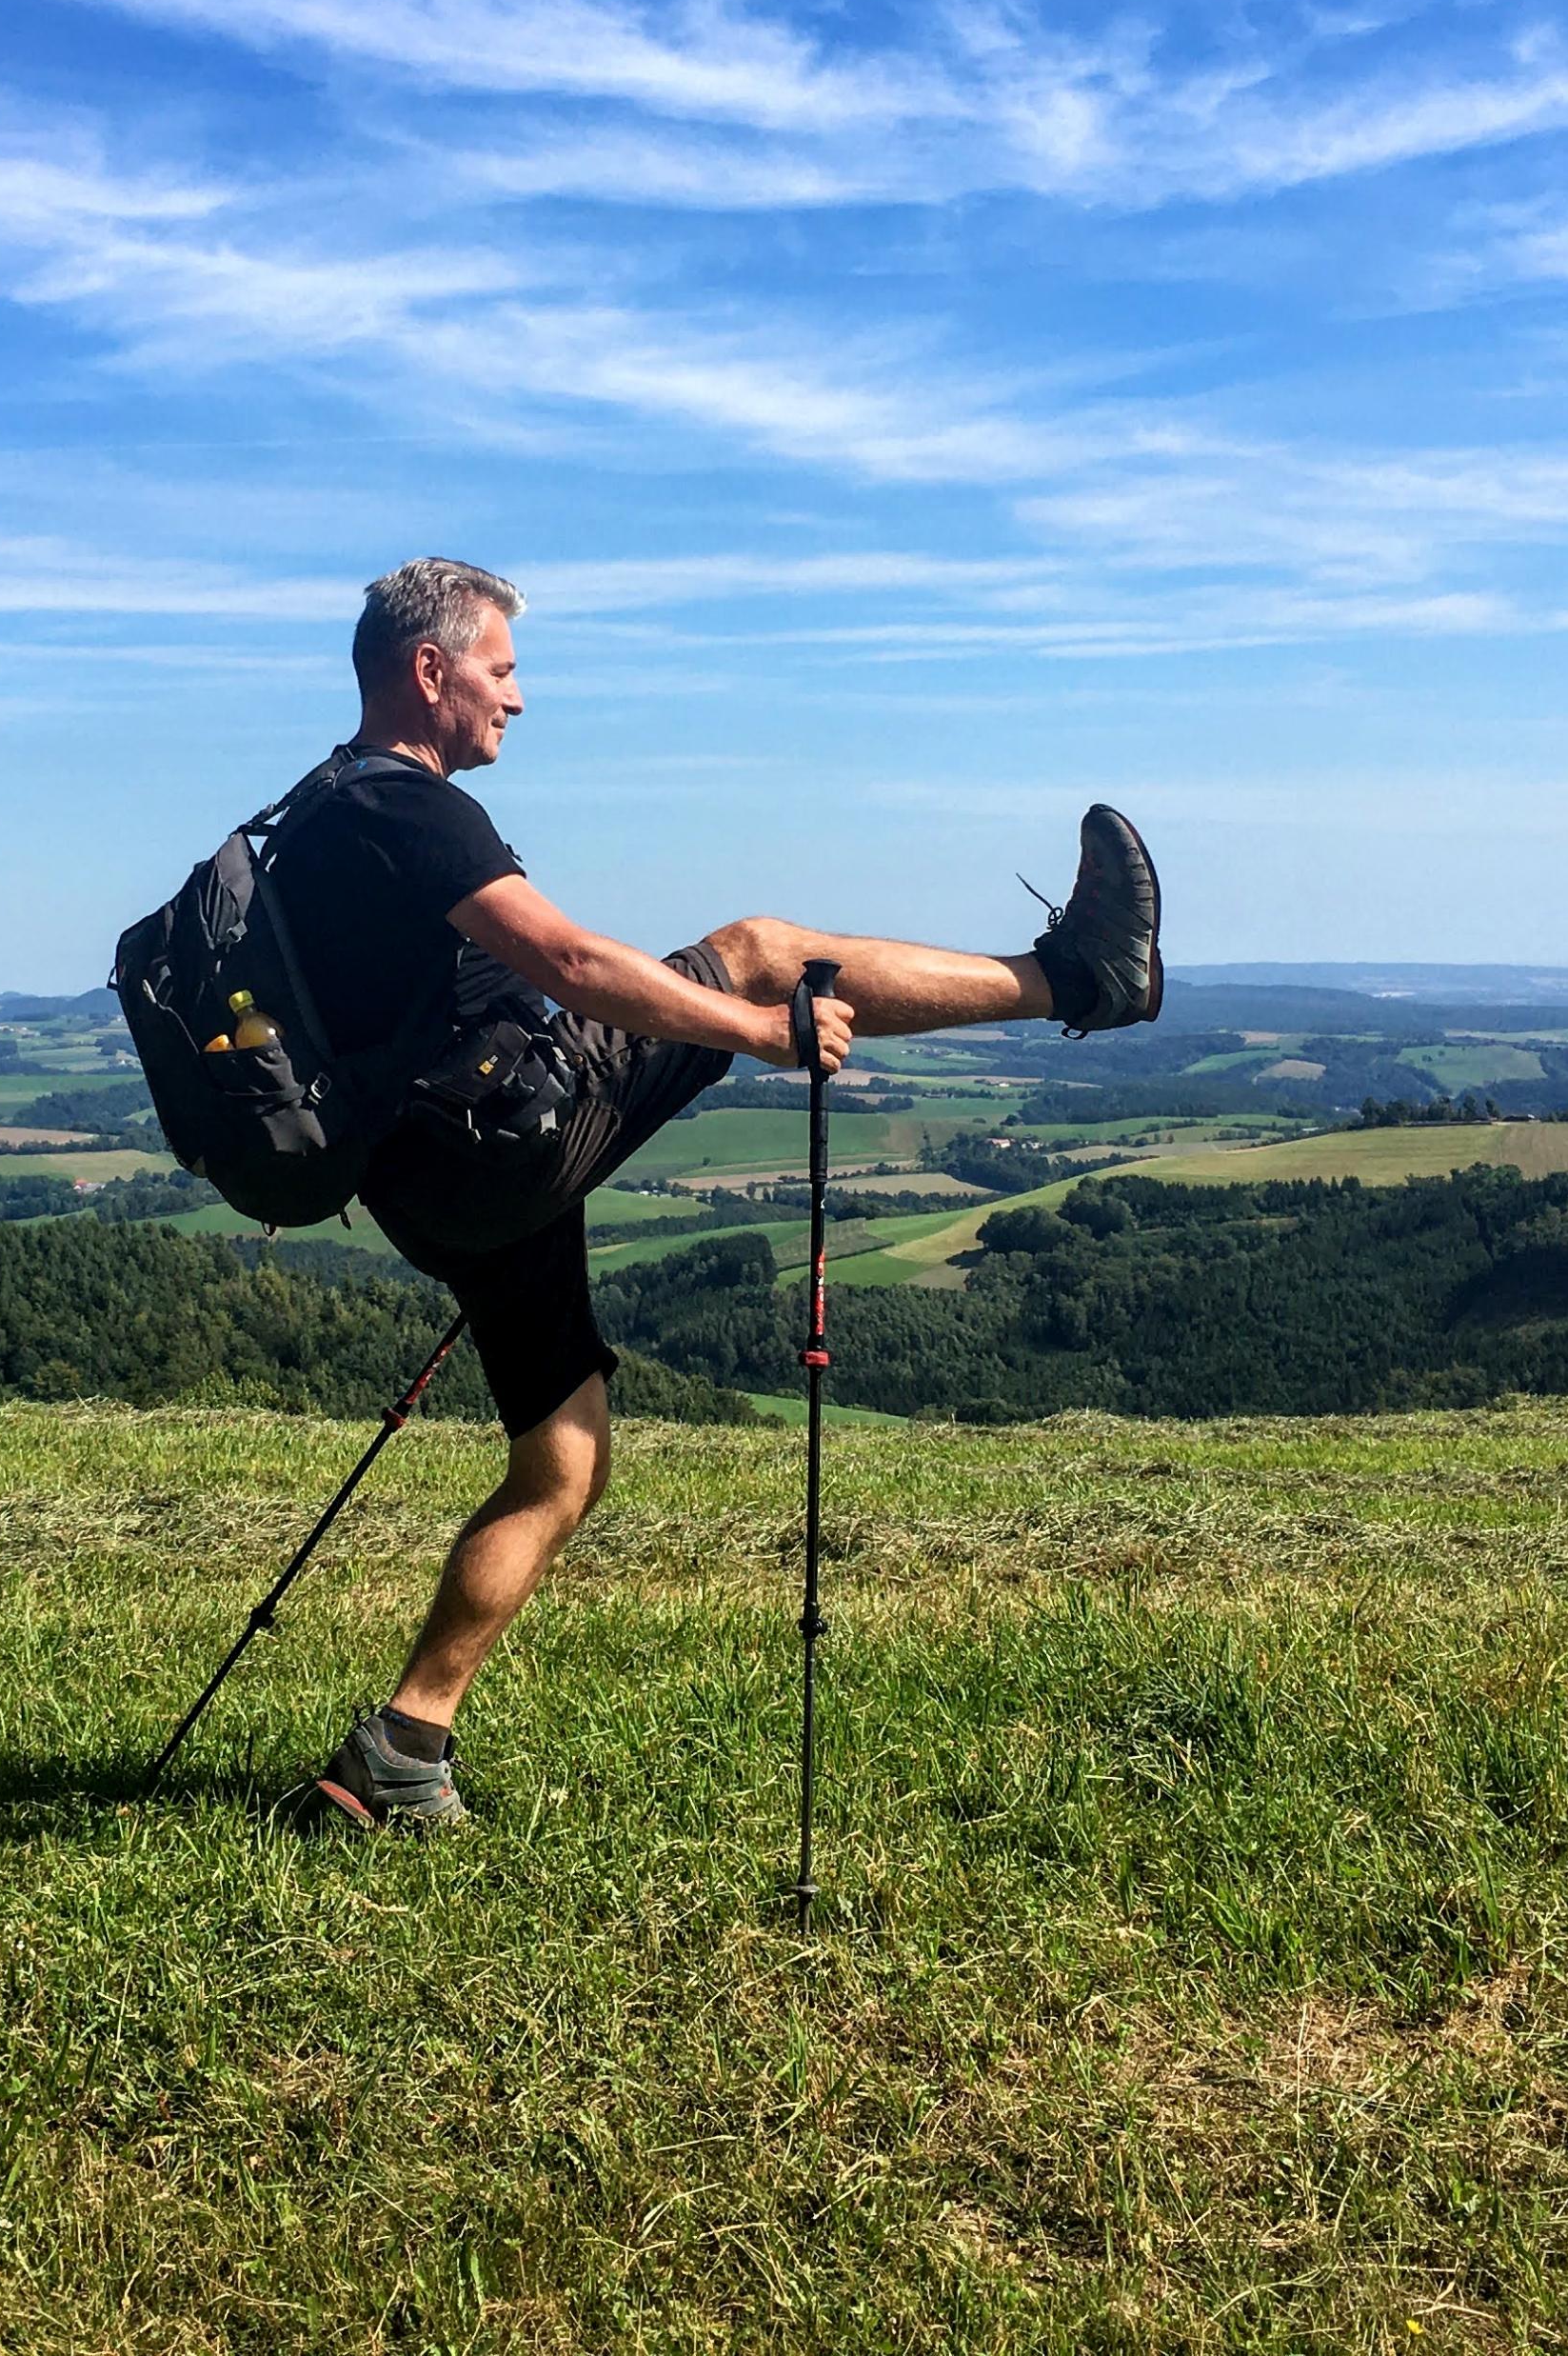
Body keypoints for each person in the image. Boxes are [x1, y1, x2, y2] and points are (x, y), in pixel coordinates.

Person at [271, 556, 1163, 1831]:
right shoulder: (408, 811)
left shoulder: (307, 817)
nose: (517, 699)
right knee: (751, 951)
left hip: (433, 1185)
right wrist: (756, 1031)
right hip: (514, 1132)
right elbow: (573, 961)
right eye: (503, 668)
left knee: (562, 1464)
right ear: (431, 670)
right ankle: (1081, 979)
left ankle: (401, 1755)